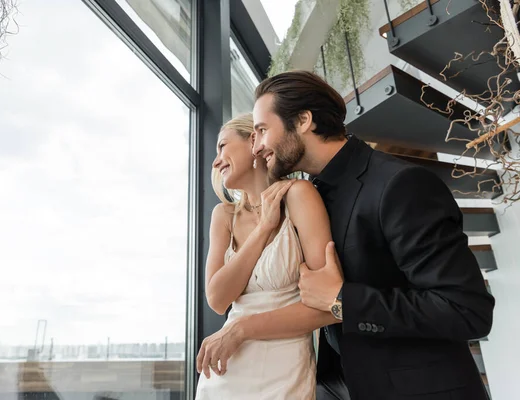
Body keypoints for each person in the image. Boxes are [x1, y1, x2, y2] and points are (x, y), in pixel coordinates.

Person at [248, 70, 495, 400]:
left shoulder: (399, 184)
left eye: (263, 130)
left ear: (304, 120)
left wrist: (341, 299)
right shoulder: (305, 199)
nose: (258, 146)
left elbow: (466, 310)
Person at [194, 113, 340, 399]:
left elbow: (328, 306)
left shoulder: (299, 195)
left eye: (222, 146)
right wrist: (264, 228)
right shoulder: (223, 216)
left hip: (283, 374)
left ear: (252, 141)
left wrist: (241, 329)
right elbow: (218, 300)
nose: (215, 161)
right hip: (225, 376)